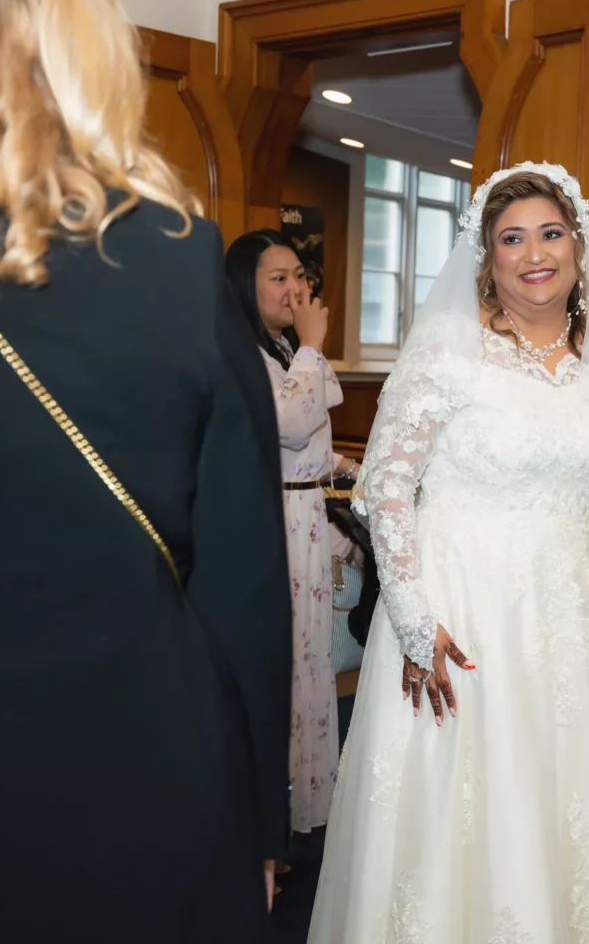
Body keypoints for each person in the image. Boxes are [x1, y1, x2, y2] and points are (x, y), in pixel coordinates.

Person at [0, 0, 293, 941]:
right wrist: (263, 825)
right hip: (145, 782)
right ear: (84, 25)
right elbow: (240, 584)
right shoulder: (175, 254)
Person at [307, 164, 589, 942]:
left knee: (552, 818)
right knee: (455, 827)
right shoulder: (448, 351)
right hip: (458, 619)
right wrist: (410, 616)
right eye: (512, 238)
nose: (535, 252)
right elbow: (386, 489)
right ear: (488, 259)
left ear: (577, 247)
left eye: (550, 233)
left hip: (561, 634)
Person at [225, 229, 357, 837]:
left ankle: (306, 808)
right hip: (270, 525)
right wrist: (312, 344)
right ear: (243, 288)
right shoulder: (239, 351)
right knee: (284, 661)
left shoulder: (282, 350)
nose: (297, 289)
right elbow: (290, 420)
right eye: (279, 278)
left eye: (300, 276)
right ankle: (263, 815)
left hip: (306, 518)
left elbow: (308, 444)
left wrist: (345, 468)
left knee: (311, 661)